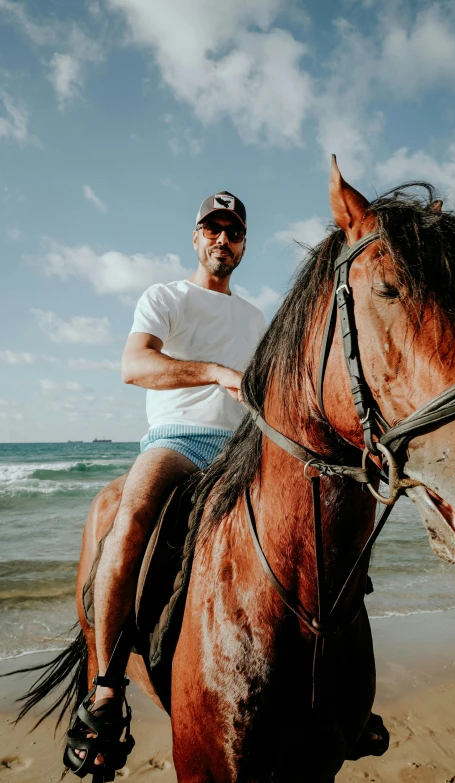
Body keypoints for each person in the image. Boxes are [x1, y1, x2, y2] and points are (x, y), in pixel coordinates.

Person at [69, 191, 265, 773]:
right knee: (130, 515)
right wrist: (214, 372)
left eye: (232, 231)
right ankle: (107, 686)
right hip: (178, 440)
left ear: (244, 244)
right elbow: (134, 366)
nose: (221, 239)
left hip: (240, 450)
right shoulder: (165, 297)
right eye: (212, 228)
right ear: (196, 236)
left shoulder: (255, 317)